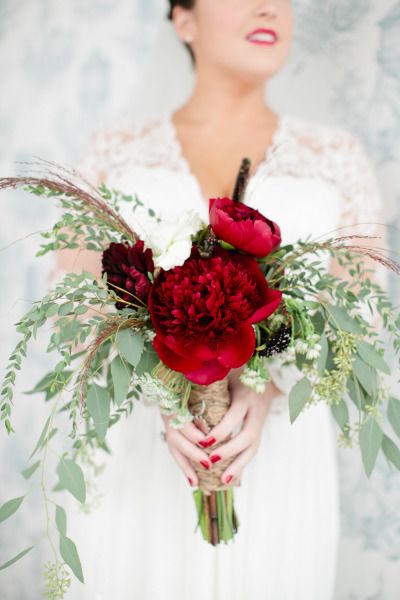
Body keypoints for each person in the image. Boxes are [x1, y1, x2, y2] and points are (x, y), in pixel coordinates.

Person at [52, 1, 384, 598]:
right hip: (145, 458)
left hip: (280, 455)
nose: (268, 7)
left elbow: (358, 319)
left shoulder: (336, 158)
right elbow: (75, 315)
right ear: (183, 20)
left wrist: (267, 386)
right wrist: (163, 391)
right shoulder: (115, 152)